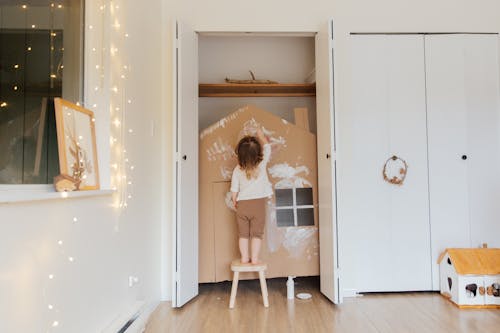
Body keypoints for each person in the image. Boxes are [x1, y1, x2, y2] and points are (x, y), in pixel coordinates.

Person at [231, 128, 272, 264]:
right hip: (258, 205)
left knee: (243, 234)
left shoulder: (237, 169)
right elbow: (267, 147)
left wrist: (234, 200)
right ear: (258, 154)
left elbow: (234, 188)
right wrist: (260, 135)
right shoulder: (262, 163)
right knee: (256, 234)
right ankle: (254, 258)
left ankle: (244, 258)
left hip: (242, 205)